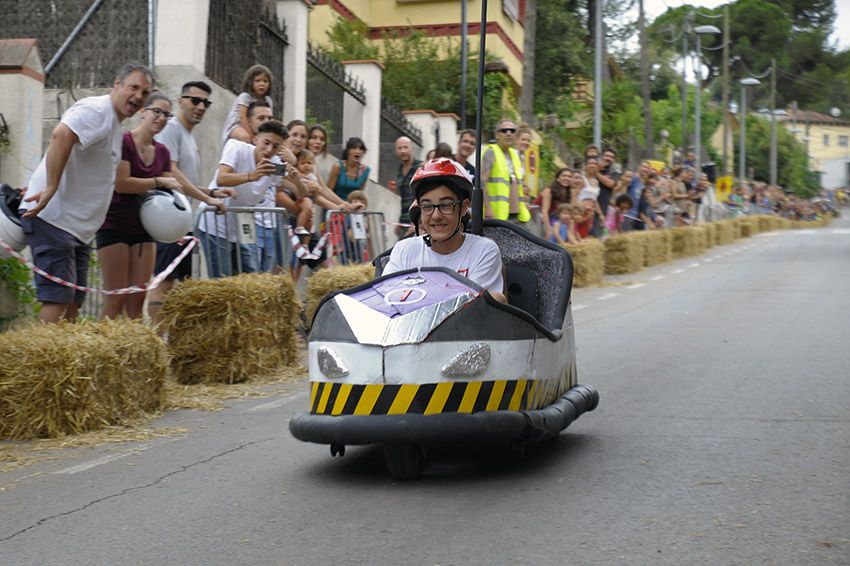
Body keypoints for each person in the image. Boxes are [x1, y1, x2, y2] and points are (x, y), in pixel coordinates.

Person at [20, 63, 153, 323]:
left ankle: (62, 361)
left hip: (76, 230)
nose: (138, 96)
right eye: (133, 87)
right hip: (54, 220)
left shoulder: (114, 124)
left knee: (72, 303)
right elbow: (61, 134)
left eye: (145, 93)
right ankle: (40, 362)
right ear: (117, 84)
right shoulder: (97, 110)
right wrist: (51, 186)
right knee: (58, 299)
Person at [148, 81, 231, 326]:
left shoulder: (187, 136)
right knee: (165, 281)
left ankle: (168, 340)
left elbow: (187, 181)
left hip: (181, 220)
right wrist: (207, 198)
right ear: (180, 101)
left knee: (177, 285)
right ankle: (157, 339)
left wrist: (211, 191)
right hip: (167, 217)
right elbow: (172, 173)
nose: (200, 107)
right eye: (195, 101)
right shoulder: (171, 129)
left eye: (206, 103)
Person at [97, 94, 176, 320]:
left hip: (145, 229)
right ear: (143, 111)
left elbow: (171, 190)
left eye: (166, 115)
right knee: (116, 298)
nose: (161, 118)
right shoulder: (124, 141)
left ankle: (136, 352)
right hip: (115, 225)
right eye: (157, 111)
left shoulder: (163, 152)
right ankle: (104, 350)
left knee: (138, 299)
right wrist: (158, 181)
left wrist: (208, 195)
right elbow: (122, 184)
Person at [383, 158, 507, 304]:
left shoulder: (483, 251)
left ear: (464, 207)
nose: (436, 216)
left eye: (446, 205)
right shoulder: (404, 250)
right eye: (427, 206)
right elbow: (384, 300)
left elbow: (475, 313)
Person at [198, 120, 292, 277]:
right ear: (255, 139)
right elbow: (222, 178)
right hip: (216, 225)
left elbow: (299, 189)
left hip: (242, 229)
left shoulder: (275, 163)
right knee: (222, 281)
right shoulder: (236, 147)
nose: (269, 150)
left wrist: (295, 176)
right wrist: (251, 176)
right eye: (266, 143)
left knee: (250, 280)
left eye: (275, 146)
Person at [481, 118, 532, 231]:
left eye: (512, 131)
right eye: (504, 130)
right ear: (497, 134)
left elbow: (518, 186)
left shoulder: (515, 155)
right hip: (497, 216)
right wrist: (487, 208)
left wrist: (524, 203)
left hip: (517, 216)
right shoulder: (491, 152)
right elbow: (481, 182)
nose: (508, 133)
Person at [221, 64, 274, 144]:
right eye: (258, 81)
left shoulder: (268, 100)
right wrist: (252, 135)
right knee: (246, 137)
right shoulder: (245, 97)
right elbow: (242, 117)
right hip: (237, 125)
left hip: (256, 128)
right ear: (250, 82)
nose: (262, 84)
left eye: (265, 81)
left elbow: (270, 118)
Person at [388, 136, 422, 239]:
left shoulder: (420, 167)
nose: (403, 151)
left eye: (406, 147)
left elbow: (424, 195)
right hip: (404, 222)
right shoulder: (400, 170)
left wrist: (418, 221)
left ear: (411, 148)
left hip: (417, 221)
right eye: (400, 148)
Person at [538, 168, 572, 241]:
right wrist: (549, 230)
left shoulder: (567, 193)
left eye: (569, 176)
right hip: (538, 218)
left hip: (552, 220)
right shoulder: (548, 191)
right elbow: (544, 211)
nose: (567, 178)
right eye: (564, 176)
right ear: (557, 178)